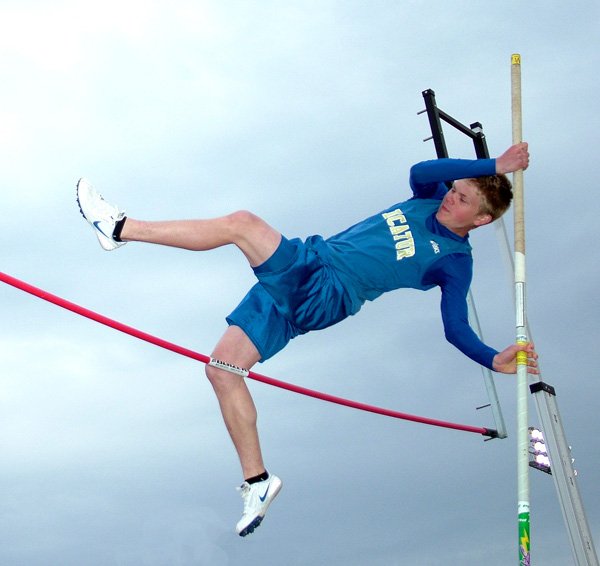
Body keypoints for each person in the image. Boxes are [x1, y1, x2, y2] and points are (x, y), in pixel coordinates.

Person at [76, 141, 538, 537]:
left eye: (461, 201)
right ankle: (257, 482)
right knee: (222, 370)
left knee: (243, 224)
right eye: (455, 191)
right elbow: (422, 172)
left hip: (327, 289)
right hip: (311, 265)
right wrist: (490, 166)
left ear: (480, 220)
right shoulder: (427, 198)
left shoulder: (454, 261)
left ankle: (119, 229)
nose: (449, 200)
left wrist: (491, 357)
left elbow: (454, 325)